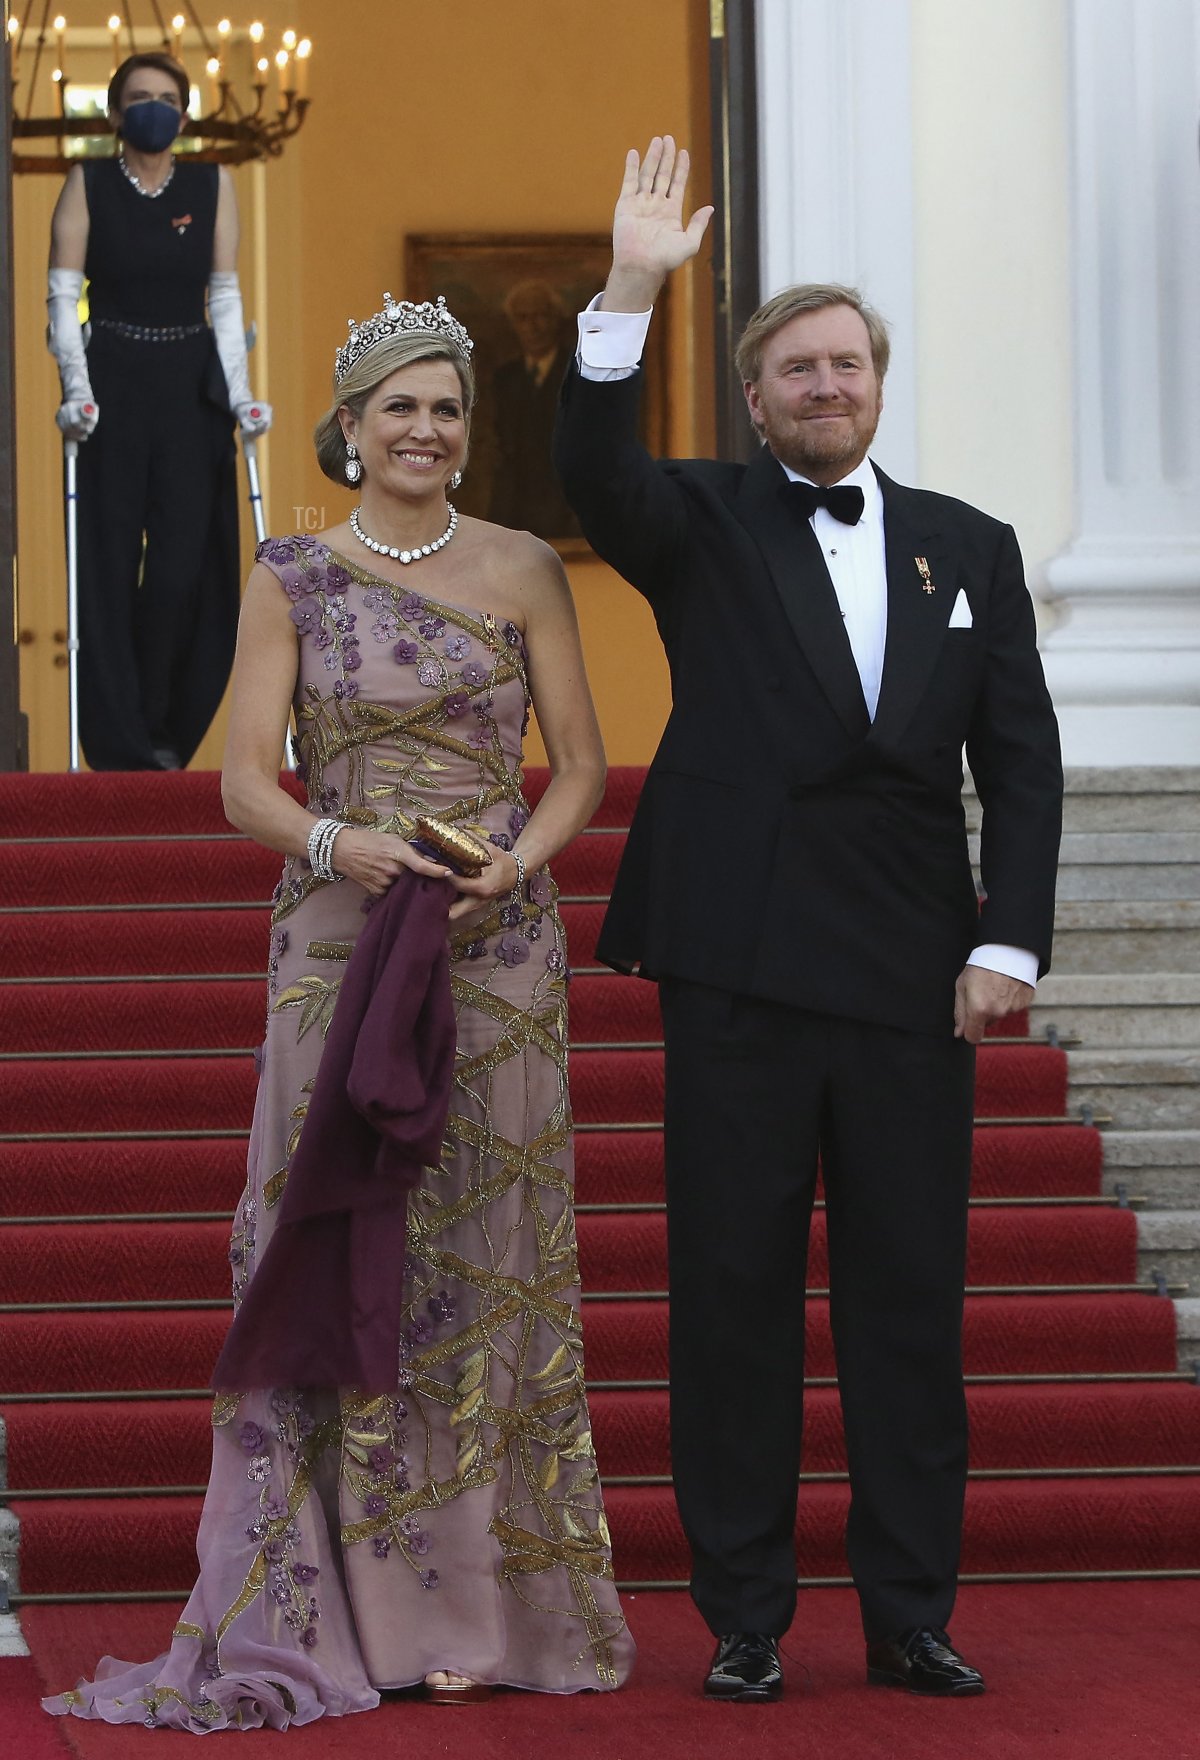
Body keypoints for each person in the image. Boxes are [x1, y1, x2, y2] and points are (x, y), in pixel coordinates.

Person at [44, 293, 633, 1731]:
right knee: (339, 1233)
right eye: (400, 408)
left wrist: (520, 862)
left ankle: (474, 1611)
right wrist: (334, 844)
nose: (426, 431)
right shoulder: (294, 573)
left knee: (487, 1259)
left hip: (496, 943)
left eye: (448, 409)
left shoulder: (523, 568)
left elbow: (583, 767)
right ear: (351, 425)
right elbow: (246, 777)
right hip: (341, 935)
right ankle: (343, 1605)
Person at [554, 138, 1063, 1703]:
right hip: (742, 963)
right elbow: (594, 474)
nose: (826, 386)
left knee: (911, 1300)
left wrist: (1007, 940)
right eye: (796, 367)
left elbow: (1022, 755)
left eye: (847, 363)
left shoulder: (968, 545)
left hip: (916, 971)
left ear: (878, 385)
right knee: (733, 1294)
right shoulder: (698, 520)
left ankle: (912, 1611)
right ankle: (748, 1617)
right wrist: (633, 286)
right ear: (758, 396)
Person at [47, 51, 271, 771]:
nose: (153, 108)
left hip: (189, 388)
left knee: (183, 567)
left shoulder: (212, 185)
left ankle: (164, 727)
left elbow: (226, 296)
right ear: (115, 114)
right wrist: (75, 389)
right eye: (138, 97)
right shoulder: (87, 183)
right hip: (111, 380)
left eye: (166, 97)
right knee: (109, 563)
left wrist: (241, 393)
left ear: (184, 112)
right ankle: (119, 743)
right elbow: (62, 294)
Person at [488, 279, 581, 540]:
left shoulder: (578, 371)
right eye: (523, 318)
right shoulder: (505, 378)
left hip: (564, 503)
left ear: (556, 319)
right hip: (515, 504)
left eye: (541, 316)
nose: (533, 327)